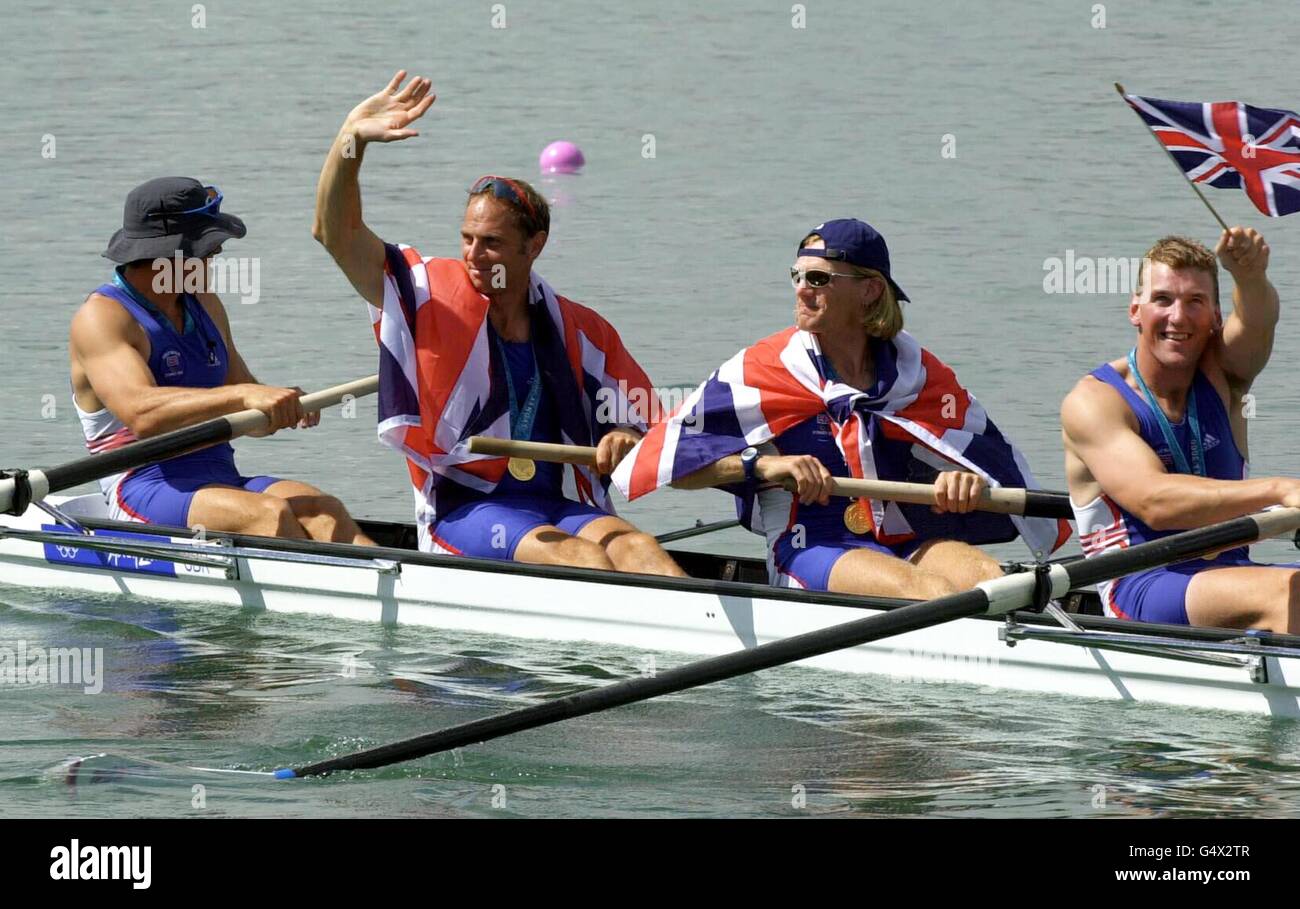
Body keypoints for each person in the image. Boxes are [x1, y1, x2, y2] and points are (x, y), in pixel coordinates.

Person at [312, 71, 683, 575]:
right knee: (581, 558)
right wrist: (349, 142)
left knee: (641, 550)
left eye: (491, 243)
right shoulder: (427, 295)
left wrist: (624, 433)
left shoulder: (579, 328)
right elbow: (335, 233)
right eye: (467, 238)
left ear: (534, 247)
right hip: (466, 508)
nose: (473, 255)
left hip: (558, 503)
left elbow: (648, 417)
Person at [614, 219, 1068, 597]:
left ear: (870, 291)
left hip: (910, 541)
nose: (801, 291)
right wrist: (761, 467)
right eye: (797, 277)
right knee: (930, 595)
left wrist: (962, 481)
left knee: (994, 586)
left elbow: (988, 463)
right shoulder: (760, 370)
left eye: (818, 279)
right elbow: (670, 463)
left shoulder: (920, 374)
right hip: (813, 547)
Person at [70, 177, 373, 543]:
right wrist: (246, 395)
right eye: (208, 249)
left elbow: (249, 416)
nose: (215, 257)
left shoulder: (205, 304)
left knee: (325, 511)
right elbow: (142, 414)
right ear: (168, 253)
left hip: (220, 476)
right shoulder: (103, 317)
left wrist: (279, 406)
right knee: (268, 515)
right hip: (143, 487)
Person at [1061, 227, 1300, 631]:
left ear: (1215, 316)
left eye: (1195, 302)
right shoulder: (1095, 401)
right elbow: (1155, 502)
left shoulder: (1225, 376)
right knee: (1291, 590)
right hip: (1140, 584)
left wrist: (1250, 276)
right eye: (1163, 300)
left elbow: (1258, 323)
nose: (1178, 317)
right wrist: (1280, 491)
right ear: (1135, 310)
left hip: (1231, 572)